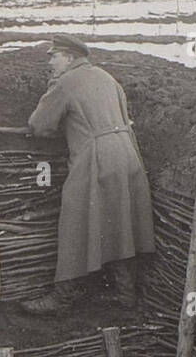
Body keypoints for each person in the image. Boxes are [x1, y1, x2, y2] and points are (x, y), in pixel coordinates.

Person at [20, 34, 155, 313]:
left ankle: (62, 296)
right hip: (127, 153)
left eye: (54, 57)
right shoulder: (107, 77)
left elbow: (40, 125)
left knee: (75, 218)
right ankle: (125, 293)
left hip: (96, 156)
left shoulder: (66, 82)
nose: (51, 63)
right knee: (121, 220)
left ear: (69, 58)